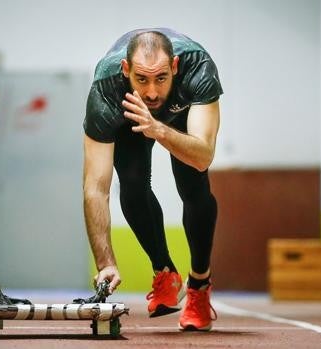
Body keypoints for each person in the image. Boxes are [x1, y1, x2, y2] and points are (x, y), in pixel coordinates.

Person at [82, 28, 223, 331]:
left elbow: (203, 157)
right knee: (131, 183)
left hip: (180, 116)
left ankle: (199, 285)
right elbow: (95, 187)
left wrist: (158, 129)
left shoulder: (198, 68)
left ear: (174, 67)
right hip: (129, 114)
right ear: (125, 71)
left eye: (161, 78)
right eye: (141, 79)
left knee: (193, 184)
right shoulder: (106, 89)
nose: (152, 92)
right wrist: (105, 261)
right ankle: (165, 271)